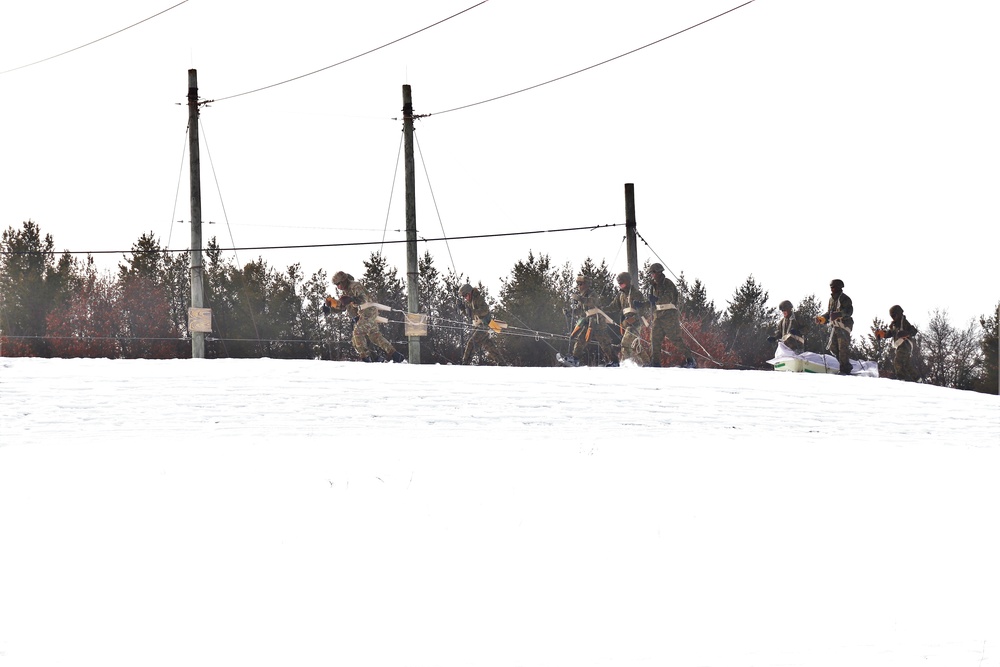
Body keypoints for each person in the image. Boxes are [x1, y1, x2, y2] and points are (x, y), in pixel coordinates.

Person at [324, 270, 405, 363]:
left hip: (368, 311)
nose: (337, 287)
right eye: (336, 285)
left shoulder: (355, 286)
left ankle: (366, 359)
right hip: (365, 313)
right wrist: (330, 308)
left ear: (343, 281)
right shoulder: (347, 291)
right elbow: (343, 306)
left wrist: (351, 299)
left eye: (338, 284)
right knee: (375, 336)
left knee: (358, 334)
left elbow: (363, 299)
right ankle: (395, 355)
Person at [646, 263, 696, 368]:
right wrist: (643, 303)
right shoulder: (653, 285)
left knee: (675, 339)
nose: (652, 275)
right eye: (651, 273)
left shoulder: (667, 283)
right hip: (658, 315)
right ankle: (655, 362)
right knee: (654, 339)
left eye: (653, 272)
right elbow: (652, 302)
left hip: (669, 315)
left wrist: (656, 299)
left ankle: (690, 360)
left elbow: (668, 297)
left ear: (659, 272)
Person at [564, 274, 618, 367]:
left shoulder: (592, 294)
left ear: (586, 285)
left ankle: (614, 361)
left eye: (581, 284)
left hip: (597, 322)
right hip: (588, 321)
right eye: (578, 284)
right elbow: (580, 310)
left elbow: (592, 302)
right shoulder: (582, 296)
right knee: (581, 339)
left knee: (604, 342)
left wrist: (579, 298)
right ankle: (575, 358)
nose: (579, 286)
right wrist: (569, 312)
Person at [459, 283, 505, 365]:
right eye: (463, 297)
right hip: (478, 325)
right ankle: (502, 363)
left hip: (484, 324)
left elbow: (485, 310)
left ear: (469, 293)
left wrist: (473, 312)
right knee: (488, 345)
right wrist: (462, 309)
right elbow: (470, 315)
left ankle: (465, 363)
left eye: (465, 295)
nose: (465, 298)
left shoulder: (478, 298)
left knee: (471, 343)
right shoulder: (470, 302)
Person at [815, 278, 854, 375]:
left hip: (844, 325)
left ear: (839, 287)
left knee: (843, 347)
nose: (832, 289)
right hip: (835, 326)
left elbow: (849, 311)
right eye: (831, 287)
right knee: (833, 347)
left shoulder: (845, 298)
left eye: (834, 287)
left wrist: (839, 314)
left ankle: (845, 369)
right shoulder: (831, 299)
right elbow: (829, 313)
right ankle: (845, 364)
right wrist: (823, 318)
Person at [613, 271, 650, 366]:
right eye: (619, 282)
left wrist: (635, 318)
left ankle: (627, 363)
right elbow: (613, 306)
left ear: (628, 281)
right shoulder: (620, 295)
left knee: (625, 344)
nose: (620, 284)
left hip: (636, 323)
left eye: (622, 282)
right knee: (635, 346)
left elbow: (643, 310)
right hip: (626, 323)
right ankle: (648, 363)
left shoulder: (636, 294)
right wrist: (599, 308)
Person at [877, 304, 919, 381]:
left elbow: (914, 330)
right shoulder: (894, 325)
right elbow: (890, 333)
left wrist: (906, 333)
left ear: (899, 314)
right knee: (906, 364)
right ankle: (918, 379)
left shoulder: (904, 322)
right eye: (892, 316)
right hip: (900, 345)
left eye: (894, 315)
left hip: (905, 344)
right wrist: (882, 334)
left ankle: (901, 378)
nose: (893, 318)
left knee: (898, 361)